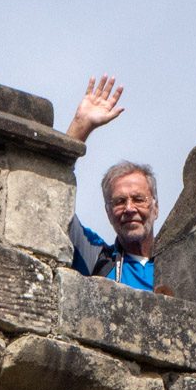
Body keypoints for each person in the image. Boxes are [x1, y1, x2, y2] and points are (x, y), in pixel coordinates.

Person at [64, 75, 159, 292]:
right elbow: (51, 196)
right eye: (119, 201)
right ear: (108, 212)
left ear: (155, 207)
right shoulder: (97, 258)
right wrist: (80, 126)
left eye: (138, 199)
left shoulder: (181, 269)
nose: (129, 208)